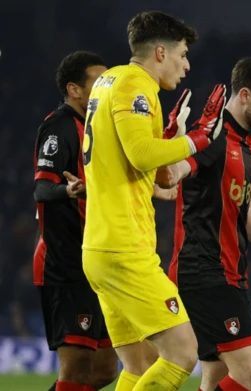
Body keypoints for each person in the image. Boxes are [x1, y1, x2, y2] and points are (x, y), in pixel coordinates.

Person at [80, 11, 226, 391]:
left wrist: (163, 150)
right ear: (160, 52)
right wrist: (199, 139)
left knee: (139, 363)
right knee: (182, 353)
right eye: (182, 55)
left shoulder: (108, 81)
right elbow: (142, 154)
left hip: (100, 247)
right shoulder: (135, 85)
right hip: (124, 247)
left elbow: (132, 163)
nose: (187, 64)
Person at [160, 56, 251, 391]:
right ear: (244, 96)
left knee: (216, 379)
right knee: (250, 369)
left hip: (229, 271)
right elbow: (170, 176)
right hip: (204, 270)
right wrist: (171, 148)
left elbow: (246, 206)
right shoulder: (211, 136)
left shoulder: (246, 144)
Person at [33, 51, 118, 391]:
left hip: (97, 263)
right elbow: (42, 188)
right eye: (99, 83)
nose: (107, 90)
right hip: (65, 264)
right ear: (75, 90)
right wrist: (68, 191)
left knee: (105, 370)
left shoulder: (98, 128)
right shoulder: (60, 126)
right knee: (76, 370)